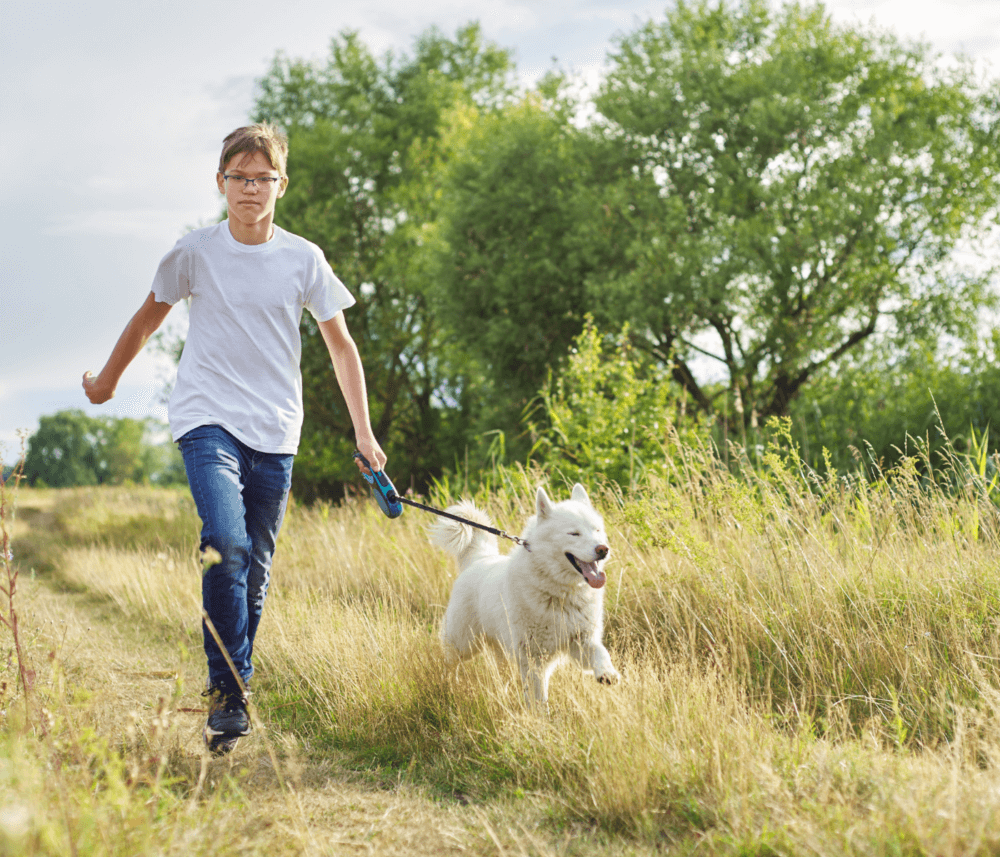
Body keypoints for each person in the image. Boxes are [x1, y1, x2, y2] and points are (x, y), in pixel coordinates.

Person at [83, 123, 386, 754]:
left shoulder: (304, 258)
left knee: (254, 568)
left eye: (262, 177)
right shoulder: (196, 252)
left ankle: (231, 686)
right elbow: (147, 317)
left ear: (281, 184)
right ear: (220, 182)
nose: (250, 188)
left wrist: (363, 432)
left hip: (276, 431)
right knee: (224, 541)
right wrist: (108, 381)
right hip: (206, 417)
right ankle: (230, 695)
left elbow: (341, 346)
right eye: (238, 177)